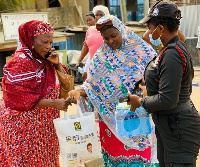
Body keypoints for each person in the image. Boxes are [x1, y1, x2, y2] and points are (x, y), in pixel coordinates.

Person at [69, 15, 158, 166]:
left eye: (113, 36)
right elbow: (92, 86)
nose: (110, 41)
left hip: (136, 114)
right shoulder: (100, 57)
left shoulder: (142, 51)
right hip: (110, 121)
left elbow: (157, 79)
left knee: (139, 158)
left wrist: (146, 83)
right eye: (106, 38)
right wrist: (79, 91)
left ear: (122, 30)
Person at [128, 1, 200, 166]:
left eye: (150, 26)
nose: (148, 31)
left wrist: (139, 101)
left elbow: (168, 99)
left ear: (160, 28)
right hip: (171, 128)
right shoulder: (170, 49)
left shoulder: (172, 54)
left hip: (179, 131)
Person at [0, 20, 76, 166]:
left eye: (51, 42)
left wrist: (57, 65)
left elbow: (65, 88)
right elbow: (16, 97)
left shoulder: (46, 60)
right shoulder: (20, 62)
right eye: (44, 42)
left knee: (46, 160)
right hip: (24, 127)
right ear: (31, 40)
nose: (48, 46)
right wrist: (53, 103)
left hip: (45, 127)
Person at [76, 5, 110, 81]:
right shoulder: (90, 30)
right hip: (92, 59)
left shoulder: (110, 29)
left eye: (101, 15)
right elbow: (86, 46)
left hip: (106, 61)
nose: (99, 17)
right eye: (97, 15)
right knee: (85, 77)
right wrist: (79, 60)